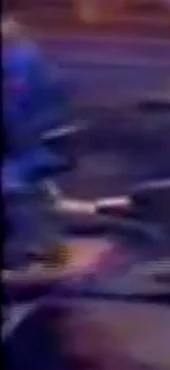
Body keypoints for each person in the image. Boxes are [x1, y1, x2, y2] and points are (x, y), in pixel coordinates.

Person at [3, 17, 71, 268]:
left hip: (31, 148)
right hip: (33, 145)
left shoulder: (22, 65)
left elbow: (21, 117)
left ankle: (36, 247)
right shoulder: (29, 60)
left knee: (17, 188)